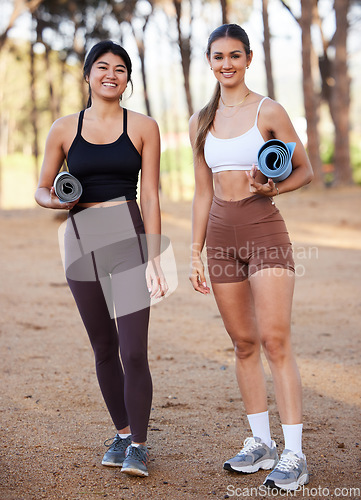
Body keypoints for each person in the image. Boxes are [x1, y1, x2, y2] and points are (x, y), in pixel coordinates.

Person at [189, 24, 313, 491]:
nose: (227, 64)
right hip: (220, 237)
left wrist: (273, 187)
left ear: (248, 58)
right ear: (209, 61)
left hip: (264, 230)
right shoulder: (201, 120)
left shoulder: (269, 110)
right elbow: (203, 193)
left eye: (235, 55)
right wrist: (195, 252)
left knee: (275, 341)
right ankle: (260, 442)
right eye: (218, 56)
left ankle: (294, 453)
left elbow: (305, 170)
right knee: (243, 343)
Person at [35, 40, 167, 478]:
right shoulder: (62, 128)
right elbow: (41, 187)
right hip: (79, 236)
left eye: (121, 69)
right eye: (103, 66)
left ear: (128, 79)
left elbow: (149, 193)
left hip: (127, 232)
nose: (112, 74)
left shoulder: (145, 126)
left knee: (133, 348)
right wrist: (52, 201)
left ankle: (140, 447)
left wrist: (153, 254)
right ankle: (125, 432)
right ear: (88, 74)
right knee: (103, 346)